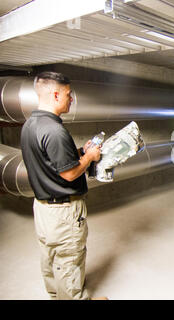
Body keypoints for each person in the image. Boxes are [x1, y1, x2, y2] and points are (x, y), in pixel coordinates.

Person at [20, 72, 106, 300]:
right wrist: (90, 158)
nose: (71, 99)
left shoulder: (31, 124)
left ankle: (56, 296)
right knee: (69, 259)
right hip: (63, 213)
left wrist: (80, 152)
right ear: (56, 94)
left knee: (50, 257)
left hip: (43, 208)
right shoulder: (55, 131)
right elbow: (69, 173)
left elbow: (51, 162)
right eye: (68, 94)